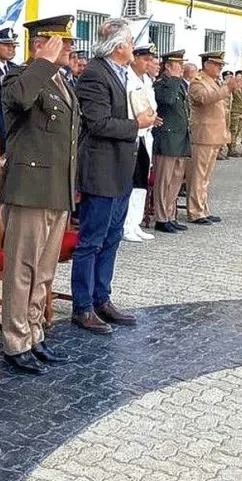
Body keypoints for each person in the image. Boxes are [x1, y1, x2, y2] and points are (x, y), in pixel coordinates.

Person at [0, 15, 78, 373]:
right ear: (42, 43)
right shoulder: (19, 77)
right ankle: (15, 341)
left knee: (43, 270)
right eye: (64, 42)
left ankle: (34, 332)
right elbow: (20, 99)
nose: (71, 48)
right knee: (21, 268)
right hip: (29, 190)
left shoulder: (61, 81)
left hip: (57, 189)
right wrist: (43, 61)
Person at [72, 18, 159, 334]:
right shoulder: (96, 74)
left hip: (121, 167)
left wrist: (142, 120)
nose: (134, 48)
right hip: (102, 169)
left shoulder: (121, 72)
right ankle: (82, 306)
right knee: (92, 240)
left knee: (111, 237)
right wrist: (138, 124)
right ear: (119, 46)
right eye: (131, 42)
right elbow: (99, 123)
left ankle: (101, 298)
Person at [188, 51, 241, 225]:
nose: (220, 68)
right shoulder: (198, 82)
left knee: (206, 176)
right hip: (203, 135)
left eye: (221, 65)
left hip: (214, 135)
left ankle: (203, 208)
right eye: (217, 65)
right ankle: (195, 211)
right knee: (198, 175)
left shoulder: (214, 81)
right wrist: (227, 89)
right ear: (206, 65)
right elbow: (204, 98)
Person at [121, 44, 160, 242]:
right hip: (133, 133)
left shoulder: (146, 80)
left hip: (146, 134)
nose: (149, 63)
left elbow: (150, 105)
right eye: (145, 59)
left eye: (150, 59)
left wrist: (154, 118)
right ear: (134, 58)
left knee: (141, 182)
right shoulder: (126, 78)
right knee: (131, 180)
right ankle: (126, 225)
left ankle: (135, 223)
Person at [151, 52, 191, 234]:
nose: (181, 68)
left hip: (180, 139)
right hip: (167, 138)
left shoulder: (179, 84)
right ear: (167, 66)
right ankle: (160, 217)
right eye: (177, 64)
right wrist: (174, 80)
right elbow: (166, 101)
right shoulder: (162, 84)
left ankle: (170, 214)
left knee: (175, 181)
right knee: (164, 181)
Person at [227, 69, 242, 156]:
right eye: (240, 76)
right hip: (235, 112)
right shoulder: (233, 87)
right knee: (233, 131)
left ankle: (233, 148)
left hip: (241, 112)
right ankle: (231, 149)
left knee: (238, 131)